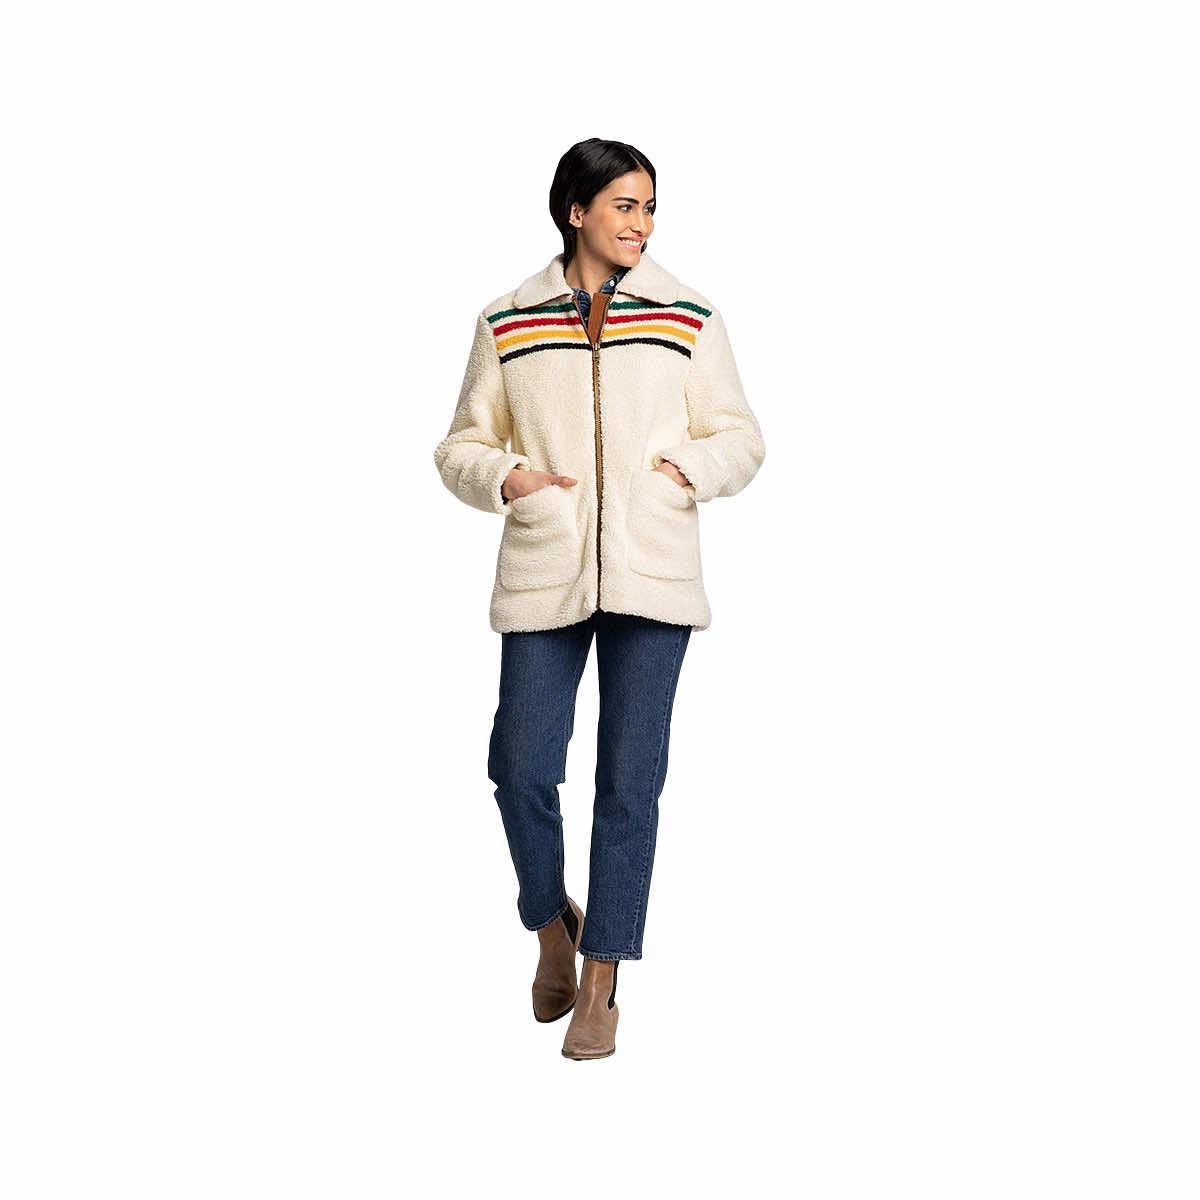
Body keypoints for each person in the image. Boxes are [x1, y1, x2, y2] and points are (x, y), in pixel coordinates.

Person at [433, 138, 766, 1059]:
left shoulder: (687, 314)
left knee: (629, 785)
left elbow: (740, 436)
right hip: (546, 565)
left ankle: (602, 976)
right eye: (624, 204)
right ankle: (552, 927)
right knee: (520, 768)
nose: (641, 222)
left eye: (649, 206)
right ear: (576, 212)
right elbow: (459, 445)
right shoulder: (508, 318)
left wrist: (681, 471)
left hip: (652, 572)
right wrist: (507, 479)